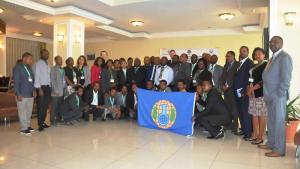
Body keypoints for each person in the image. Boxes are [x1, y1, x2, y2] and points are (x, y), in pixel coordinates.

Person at [259, 36, 293, 157]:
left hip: (278, 96)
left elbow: (286, 78)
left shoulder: (285, 57)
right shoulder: (272, 58)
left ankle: (279, 149)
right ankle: (271, 143)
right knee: (272, 121)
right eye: (271, 42)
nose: (272, 44)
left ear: (281, 44)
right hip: (269, 94)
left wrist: (280, 94)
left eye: (275, 42)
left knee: (278, 122)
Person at [246, 47, 268, 144]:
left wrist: (253, 88)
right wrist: (248, 88)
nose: (257, 55)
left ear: (264, 55)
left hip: (261, 93)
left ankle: (260, 137)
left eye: (259, 53)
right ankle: (255, 134)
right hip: (252, 94)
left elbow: (264, 80)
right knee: (254, 114)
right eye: (255, 54)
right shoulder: (253, 66)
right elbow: (250, 79)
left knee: (261, 115)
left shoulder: (266, 65)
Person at [233, 46, 254, 139]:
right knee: (240, 112)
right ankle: (244, 130)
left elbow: (250, 78)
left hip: (244, 91)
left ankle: (248, 133)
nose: (242, 53)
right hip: (237, 92)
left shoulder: (249, 63)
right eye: (241, 51)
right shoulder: (239, 63)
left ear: (248, 52)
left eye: (244, 51)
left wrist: (247, 88)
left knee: (245, 112)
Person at [13, 52, 36, 135]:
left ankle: (27, 126)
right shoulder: (18, 68)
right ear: (24, 59)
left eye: (32, 59)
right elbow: (16, 82)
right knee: (22, 111)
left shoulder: (29, 68)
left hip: (30, 94)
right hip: (22, 94)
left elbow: (32, 81)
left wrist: (34, 90)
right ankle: (23, 129)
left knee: (29, 111)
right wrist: (18, 93)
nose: (32, 61)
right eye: (30, 59)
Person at [220, 51, 240, 134]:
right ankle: (228, 125)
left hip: (233, 91)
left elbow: (236, 77)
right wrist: (222, 86)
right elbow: (222, 77)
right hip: (226, 92)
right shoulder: (226, 65)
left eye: (228, 56)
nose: (226, 58)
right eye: (226, 56)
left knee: (235, 110)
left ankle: (235, 127)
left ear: (233, 56)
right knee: (227, 109)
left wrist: (228, 86)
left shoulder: (237, 64)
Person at [33, 49, 51, 131]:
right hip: (41, 88)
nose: (47, 55)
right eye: (45, 54)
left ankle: (43, 122)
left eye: (48, 54)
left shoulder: (48, 64)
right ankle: (40, 124)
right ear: (41, 54)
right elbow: (36, 77)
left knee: (45, 106)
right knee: (41, 106)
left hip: (48, 88)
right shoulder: (38, 64)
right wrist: (39, 89)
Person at [50, 56, 66, 126]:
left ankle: (59, 119)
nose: (61, 61)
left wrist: (64, 89)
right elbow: (52, 80)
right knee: (54, 107)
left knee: (60, 106)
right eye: (59, 60)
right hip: (55, 92)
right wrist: (55, 90)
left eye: (61, 59)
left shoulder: (62, 69)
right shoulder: (53, 69)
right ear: (56, 61)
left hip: (62, 90)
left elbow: (63, 80)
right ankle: (52, 120)